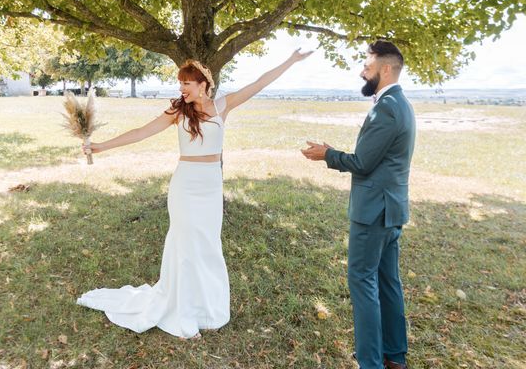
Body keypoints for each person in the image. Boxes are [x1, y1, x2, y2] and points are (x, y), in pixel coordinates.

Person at [77, 49, 312, 339]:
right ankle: (183, 312)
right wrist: (101, 146)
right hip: (185, 185)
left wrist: (290, 60)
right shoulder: (178, 110)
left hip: (211, 185)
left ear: (203, 83)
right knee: (186, 245)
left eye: (186, 83)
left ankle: (206, 308)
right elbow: (140, 132)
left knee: (207, 245)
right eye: (180, 83)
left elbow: (259, 83)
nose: (181, 88)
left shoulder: (223, 105)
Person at [302, 41, 415, 369]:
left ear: (386, 69)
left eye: (368, 65)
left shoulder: (387, 107)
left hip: (374, 212)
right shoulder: (400, 103)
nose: (362, 71)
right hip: (391, 210)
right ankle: (394, 355)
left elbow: (363, 162)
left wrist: (327, 154)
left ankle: (370, 362)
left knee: (362, 281)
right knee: (387, 281)